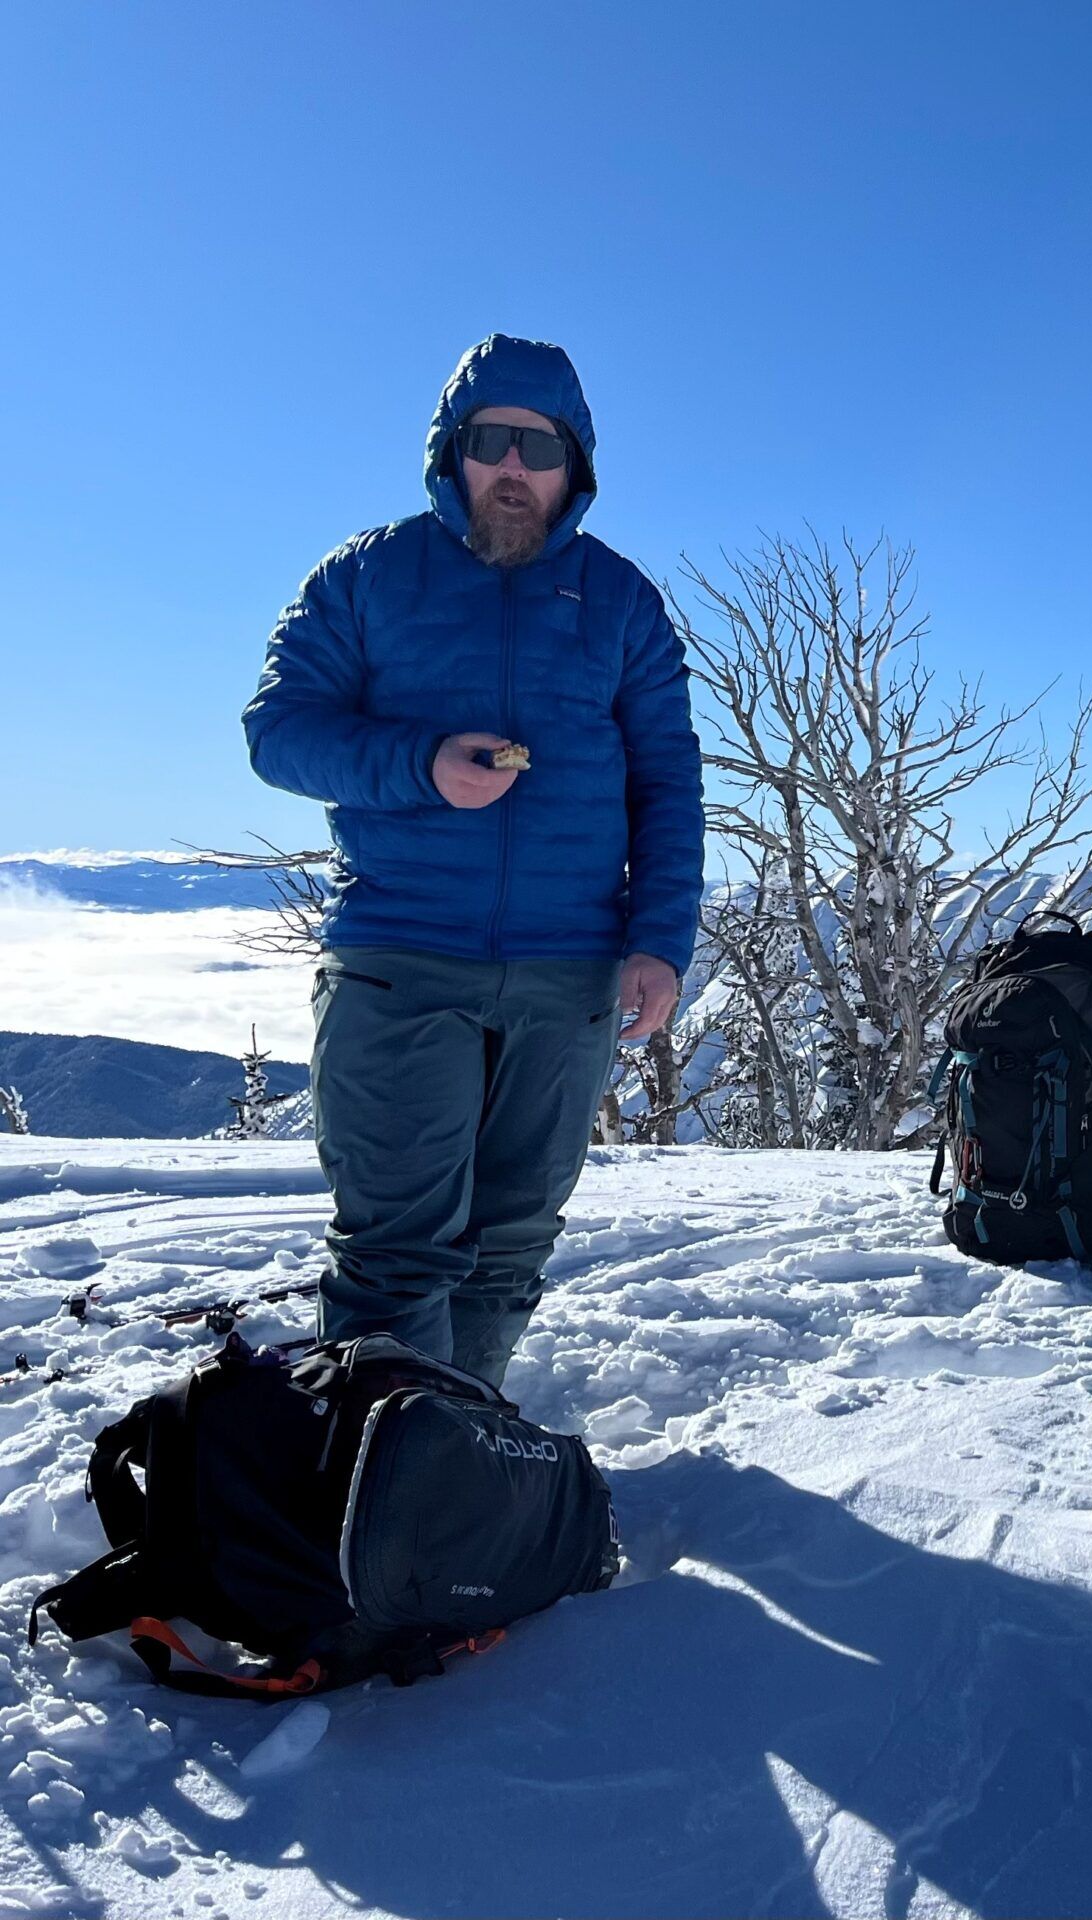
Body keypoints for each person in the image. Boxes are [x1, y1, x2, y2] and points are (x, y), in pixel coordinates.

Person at [243, 334, 704, 1386]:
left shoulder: (621, 601)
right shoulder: (365, 577)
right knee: (394, 1252)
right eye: (491, 440)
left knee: (509, 1246)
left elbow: (668, 783)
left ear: (574, 469)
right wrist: (420, 764)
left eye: (541, 448)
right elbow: (278, 732)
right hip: (399, 955)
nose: (512, 468)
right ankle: (386, 1460)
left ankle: (461, 1443)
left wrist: (659, 941)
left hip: (569, 971)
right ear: (452, 451)